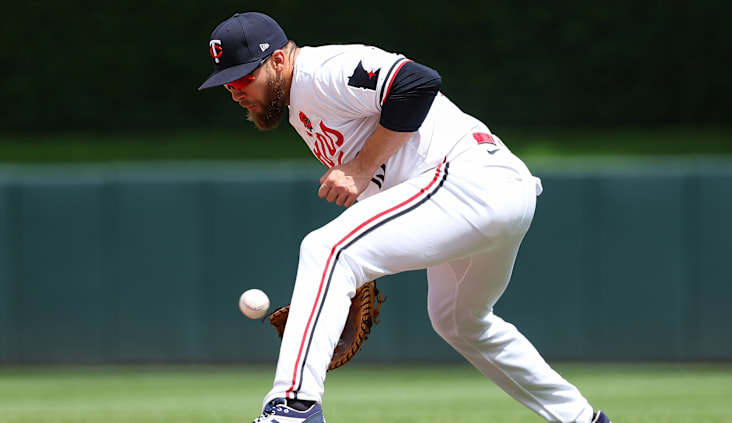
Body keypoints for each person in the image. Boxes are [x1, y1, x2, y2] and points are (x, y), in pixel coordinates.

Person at [199, 12, 612, 423]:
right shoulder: (298, 103)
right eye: (226, 84)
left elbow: (418, 82)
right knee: (458, 321)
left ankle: (294, 406)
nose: (235, 92)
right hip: (493, 193)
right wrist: (339, 286)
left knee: (326, 250)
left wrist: (359, 168)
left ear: (277, 62)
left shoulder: (321, 71)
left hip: (468, 180)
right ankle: (580, 418)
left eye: (241, 79)